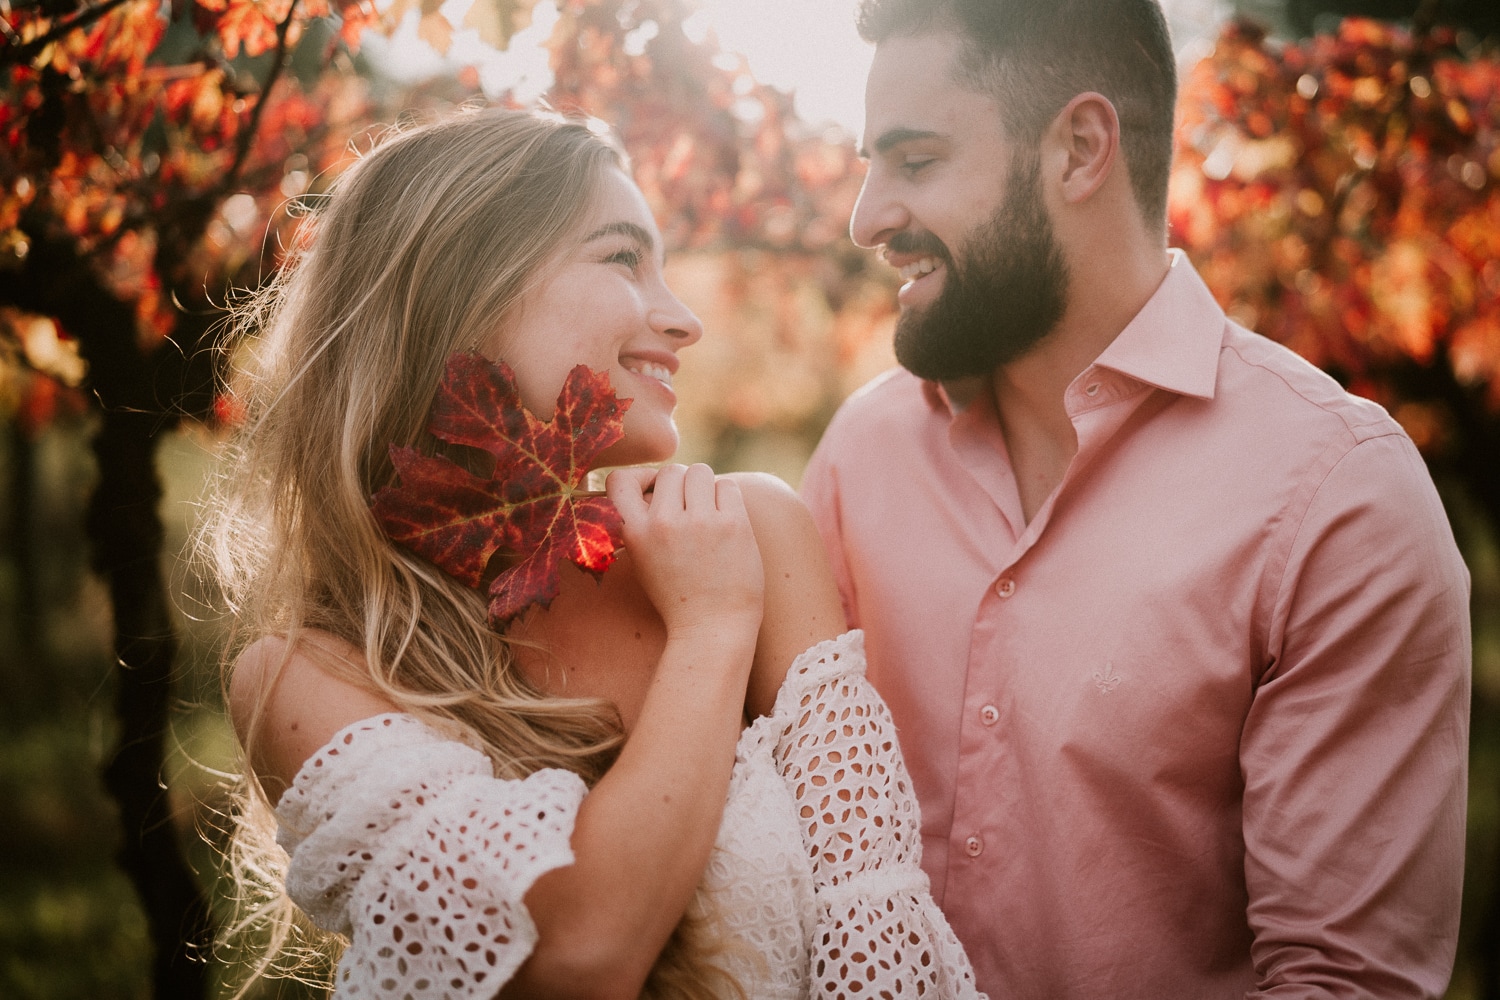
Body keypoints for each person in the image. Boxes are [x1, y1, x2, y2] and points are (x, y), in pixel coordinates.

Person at [204, 107, 984, 999]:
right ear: (462, 286)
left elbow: (876, 926)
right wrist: (711, 629)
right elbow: (575, 957)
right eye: (623, 257)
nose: (683, 319)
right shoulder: (306, 676)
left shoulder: (755, 534)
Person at [800, 0, 1472, 997]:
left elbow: (1342, 981)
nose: (867, 218)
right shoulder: (864, 453)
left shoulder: (1338, 499)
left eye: (916, 160)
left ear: (1079, 149)